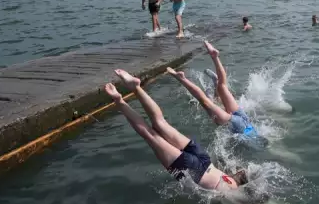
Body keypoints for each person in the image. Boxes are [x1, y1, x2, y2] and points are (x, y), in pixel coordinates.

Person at [104, 69, 244, 191]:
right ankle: (119, 101)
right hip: (193, 171)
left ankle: (136, 88)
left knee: (160, 123)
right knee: (150, 135)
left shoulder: (231, 178)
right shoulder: (233, 193)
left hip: (205, 160)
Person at [166, 40, 259, 138]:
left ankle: (215, 57)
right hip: (239, 128)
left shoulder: (258, 135)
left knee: (222, 86)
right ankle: (182, 79)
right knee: (206, 102)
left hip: (245, 120)